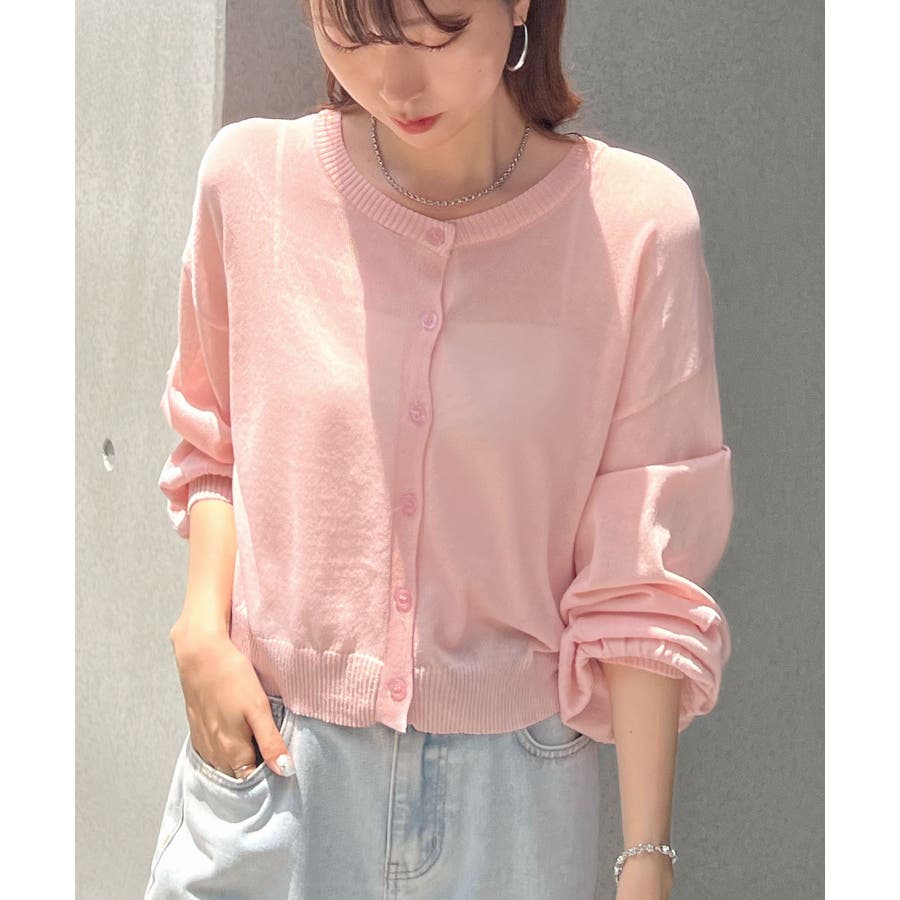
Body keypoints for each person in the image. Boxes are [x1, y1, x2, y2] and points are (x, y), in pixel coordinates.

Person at [144, 1, 734, 898]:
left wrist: (645, 859)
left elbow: (642, 580)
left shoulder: (636, 228)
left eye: (439, 32)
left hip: (515, 804)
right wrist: (200, 630)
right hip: (275, 766)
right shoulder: (251, 182)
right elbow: (214, 443)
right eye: (352, 35)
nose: (396, 84)